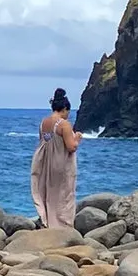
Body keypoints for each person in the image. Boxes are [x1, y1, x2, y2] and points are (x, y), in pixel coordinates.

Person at [32, 88, 80, 229]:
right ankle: (62, 226)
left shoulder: (44, 123)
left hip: (45, 163)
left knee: (48, 194)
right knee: (64, 195)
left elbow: (45, 140)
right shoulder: (63, 124)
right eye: (68, 112)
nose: (68, 115)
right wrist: (77, 138)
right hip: (61, 164)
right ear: (64, 109)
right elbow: (71, 147)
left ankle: (48, 222)